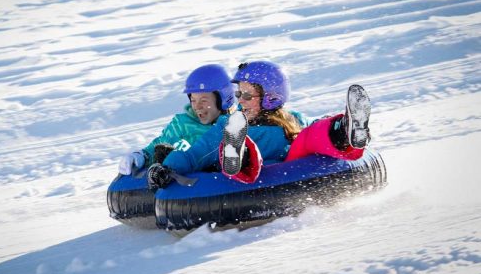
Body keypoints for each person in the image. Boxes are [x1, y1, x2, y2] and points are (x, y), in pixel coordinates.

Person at [147, 61, 371, 188]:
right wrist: (168, 167)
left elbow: (314, 128)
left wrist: (330, 126)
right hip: (249, 169)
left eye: (246, 95)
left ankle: (345, 131)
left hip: (286, 167)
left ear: (270, 97)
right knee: (235, 143)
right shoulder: (230, 123)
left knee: (310, 135)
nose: (240, 101)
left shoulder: (291, 119)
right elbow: (196, 153)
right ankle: (236, 153)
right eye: (238, 94)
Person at [118, 64, 235, 176]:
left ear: (223, 100)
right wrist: (142, 156)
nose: (197, 106)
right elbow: (160, 143)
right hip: (179, 179)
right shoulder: (182, 124)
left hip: (209, 180)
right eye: (193, 100)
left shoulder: (235, 126)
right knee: (163, 151)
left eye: (204, 100)